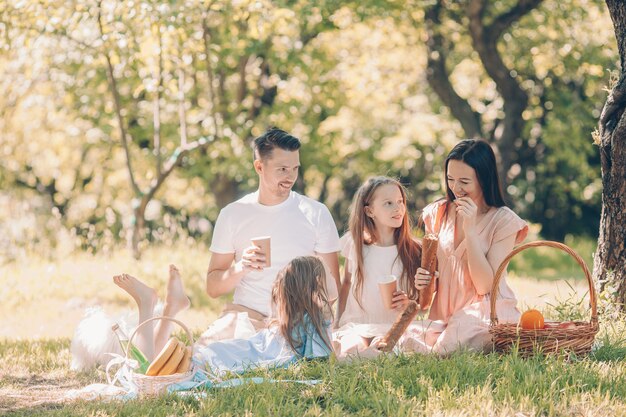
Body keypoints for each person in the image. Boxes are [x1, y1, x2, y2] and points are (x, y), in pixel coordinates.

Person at [203, 128, 340, 342]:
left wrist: (304, 320)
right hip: (246, 316)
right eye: (282, 169)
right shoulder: (233, 214)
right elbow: (212, 288)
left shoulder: (316, 212)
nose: (290, 177)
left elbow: (332, 290)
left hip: (298, 320)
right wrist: (241, 267)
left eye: (295, 168)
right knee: (204, 355)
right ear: (259, 167)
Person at [398, 139, 528, 355]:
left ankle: (438, 352)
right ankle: (437, 348)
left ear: (484, 180)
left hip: (486, 313)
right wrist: (425, 281)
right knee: (405, 334)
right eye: (450, 179)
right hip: (445, 315)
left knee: (460, 333)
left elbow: (485, 286)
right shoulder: (437, 214)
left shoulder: (504, 221)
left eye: (464, 182)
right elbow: (429, 290)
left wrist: (470, 230)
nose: (456, 188)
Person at [112, 257, 333, 378]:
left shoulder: (288, 325)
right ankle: (148, 306)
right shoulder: (314, 321)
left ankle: (166, 306)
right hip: (217, 363)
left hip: (217, 356)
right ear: (314, 290)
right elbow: (323, 360)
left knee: (151, 369)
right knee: (148, 374)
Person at [332, 176, 432, 357]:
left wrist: (407, 303)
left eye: (400, 202)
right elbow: (346, 284)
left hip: (394, 328)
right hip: (357, 325)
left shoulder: (415, 249)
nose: (398, 208)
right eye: (388, 203)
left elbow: (423, 304)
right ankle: (370, 354)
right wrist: (338, 321)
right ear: (370, 211)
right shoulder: (354, 244)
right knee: (349, 352)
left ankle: (376, 353)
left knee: (397, 349)